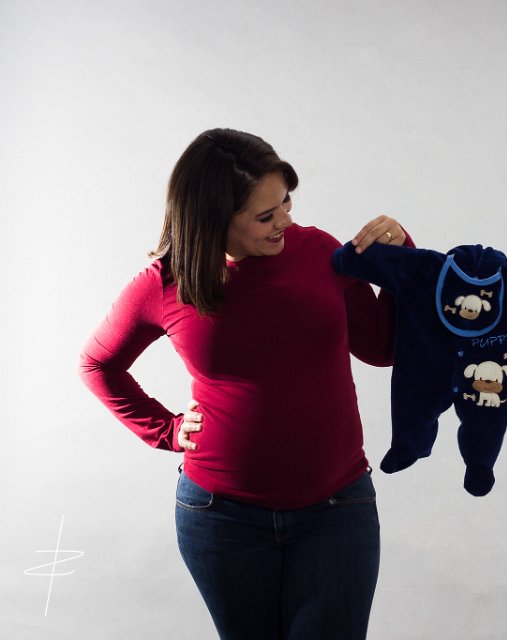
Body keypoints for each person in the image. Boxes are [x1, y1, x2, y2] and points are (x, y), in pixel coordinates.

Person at [78, 128, 410, 639]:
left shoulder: (320, 252)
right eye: (266, 215)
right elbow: (98, 364)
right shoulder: (164, 284)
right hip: (220, 519)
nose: (286, 221)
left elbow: (383, 349)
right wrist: (165, 430)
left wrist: (402, 261)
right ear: (214, 219)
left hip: (337, 510)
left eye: (286, 203)